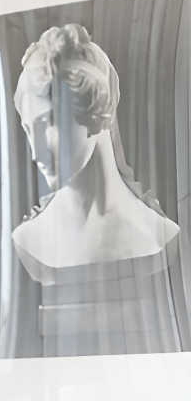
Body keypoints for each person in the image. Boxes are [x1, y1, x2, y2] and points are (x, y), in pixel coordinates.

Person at [12, 23, 188, 356]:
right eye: (26, 128)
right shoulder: (28, 242)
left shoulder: (161, 237)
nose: (34, 153)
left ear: (94, 106)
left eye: (46, 123)